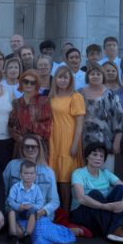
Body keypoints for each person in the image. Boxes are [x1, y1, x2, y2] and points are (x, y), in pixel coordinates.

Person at [70, 142, 123, 244]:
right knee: (95, 193)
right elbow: (81, 198)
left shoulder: (106, 173)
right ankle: (117, 229)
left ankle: (116, 230)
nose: (98, 158)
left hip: (101, 212)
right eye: (94, 154)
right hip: (83, 212)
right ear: (87, 156)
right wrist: (105, 206)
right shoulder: (78, 173)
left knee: (121, 189)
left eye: (101, 156)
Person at [47, 65, 86, 211]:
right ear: (55, 79)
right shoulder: (52, 96)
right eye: (59, 77)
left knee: (65, 177)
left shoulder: (76, 97)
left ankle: (67, 212)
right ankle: (56, 212)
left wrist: (75, 144)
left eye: (65, 77)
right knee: (54, 175)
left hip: (68, 138)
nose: (62, 80)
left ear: (70, 80)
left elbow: (80, 123)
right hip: (53, 139)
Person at [3, 134, 62, 225]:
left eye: (34, 147)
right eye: (27, 147)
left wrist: (43, 211)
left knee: (36, 231)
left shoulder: (48, 172)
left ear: (39, 149)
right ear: (22, 149)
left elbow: (54, 201)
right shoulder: (12, 165)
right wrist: (10, 208)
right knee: (16, 228)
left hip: (40, 215)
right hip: (15, 212)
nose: (30, 149)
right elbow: (3, 191)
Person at [79, 63, 123, 173]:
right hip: (83, 143)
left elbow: (119, 120)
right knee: (85, 175)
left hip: (105, 143)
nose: (95, 76)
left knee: (105, 176)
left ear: (103, 76)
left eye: (98, 74)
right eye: (92, 74)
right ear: (87, 76)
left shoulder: (110, 95)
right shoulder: (79, 94)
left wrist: (117, 142)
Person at [8, 69, 53, 150]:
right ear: (21, 82)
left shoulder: (44, 101)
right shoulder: (16, 103)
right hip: (20, 145)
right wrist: (21, 139)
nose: (29, 84)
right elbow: (11, 126)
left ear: (37, 85)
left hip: (38, 145)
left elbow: (47, 125)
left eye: (33, 82)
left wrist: (31, 139)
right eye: (26, 81)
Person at [6, 161, 45, 244]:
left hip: (29, 211)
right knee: (11, 211)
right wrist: (18, 206)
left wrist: (32, 206)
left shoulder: (36, 189)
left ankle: (28, 235)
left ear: (35, 176)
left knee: (33, 212)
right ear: (20, 175)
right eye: (26, 173)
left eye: (31, 173)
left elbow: (40, 202)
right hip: (18, 210)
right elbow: (10, 200)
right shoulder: (15, 187)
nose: (28, 175)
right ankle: (13, 236)